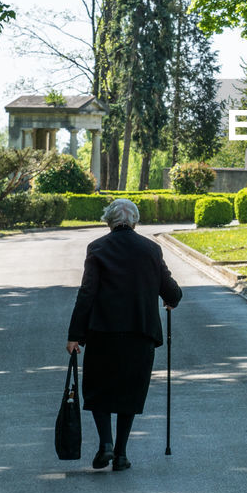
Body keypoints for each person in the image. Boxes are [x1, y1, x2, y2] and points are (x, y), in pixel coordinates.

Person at [66, 198, 182, 471]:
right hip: (140, 334)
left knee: (98, 388)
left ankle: (105, 443)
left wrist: (74, 334)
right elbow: (171, 291)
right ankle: (121, 454)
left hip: (103, 332)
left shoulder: (97, 248)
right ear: (135, 221)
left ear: (109, 221)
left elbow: (87, 293)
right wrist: (172, 300)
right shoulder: (151, 249)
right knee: (130, 391)